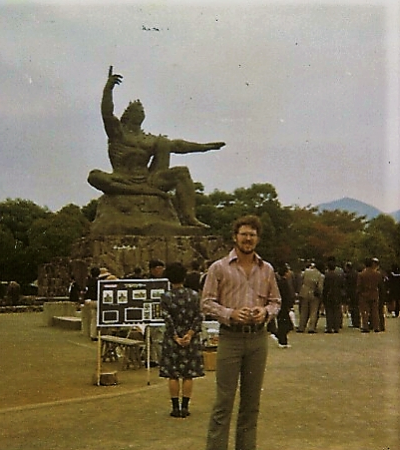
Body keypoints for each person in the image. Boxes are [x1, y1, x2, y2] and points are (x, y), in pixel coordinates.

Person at [87, 66, 225, 228]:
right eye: (136, 109)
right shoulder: (118, 133)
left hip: (148, 180)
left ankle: (189, 217)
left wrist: (205, 147)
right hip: (121, 177)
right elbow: (107, 115)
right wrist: (108, 90)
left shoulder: (150, 139)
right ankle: (134, 191)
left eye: (142, 109)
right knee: (94, 176)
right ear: (128, 115)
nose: (140, 110)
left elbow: (178, 145)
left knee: (181, 172)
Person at [201, 215, 281, 450]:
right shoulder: (219, 268)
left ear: (258, 238)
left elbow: (276, 301)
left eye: (252, 235)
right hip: (230, 338)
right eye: (244, 234)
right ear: (235, 236)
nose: (248, 239)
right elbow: (206, 302)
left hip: (257, 338)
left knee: (251, 402)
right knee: (223, 401)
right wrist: (230, 313)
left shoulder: (266, 269)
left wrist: (264, 312)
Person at [159, 262, 204, 418]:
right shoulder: (194, 296)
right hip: (191, 339)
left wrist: (175, 336)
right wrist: (190, 334)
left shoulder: (166, 297)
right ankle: (185, 406)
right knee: (188, 374)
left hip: (172, 339)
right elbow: (199, 316)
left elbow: (167, 319)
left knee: (173, 374)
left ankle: (175, 407)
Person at [357, 257, 384, 333]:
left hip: (364, 295)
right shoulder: (377, 274)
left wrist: (359, 293)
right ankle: (376, 326)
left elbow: (359, 286)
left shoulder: (361, 274)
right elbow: (380, 284)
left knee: (365, 312)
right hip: (374, 293)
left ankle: (365, 327)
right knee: (375, 311)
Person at [297, 262, 324, 333]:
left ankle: (301, 327)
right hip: (314, 294)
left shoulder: (306, 271)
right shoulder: (320, 275)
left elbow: (300, 279)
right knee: (313, 311)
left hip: (304, 292)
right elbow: (320, 287)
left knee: (304, 311)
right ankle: (311, 328)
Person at [322, 257, 345, 333]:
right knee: (337, 311)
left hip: (329, 295)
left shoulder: (327, 275)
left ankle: (329, 327)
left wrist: (324, 296)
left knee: (329, 311)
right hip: (337, 294)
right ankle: (336, 327)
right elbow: (342, 285)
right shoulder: (339, 275)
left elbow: (325, 287)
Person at [273, 264, 294, 348]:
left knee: (284, 323)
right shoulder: (283, 282)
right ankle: (281, 339)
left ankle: (282, 339)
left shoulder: (281, 281)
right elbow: (286, 295)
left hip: (282, 305)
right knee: (285, 324)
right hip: (283, 305)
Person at [344, 261, 360, 328]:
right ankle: (357, 322)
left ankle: (354, 322)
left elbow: (346, 285)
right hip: (356, 292)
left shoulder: (348, 275)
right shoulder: (356, 273)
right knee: (356, 308)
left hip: (350, 293)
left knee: (352, 308)